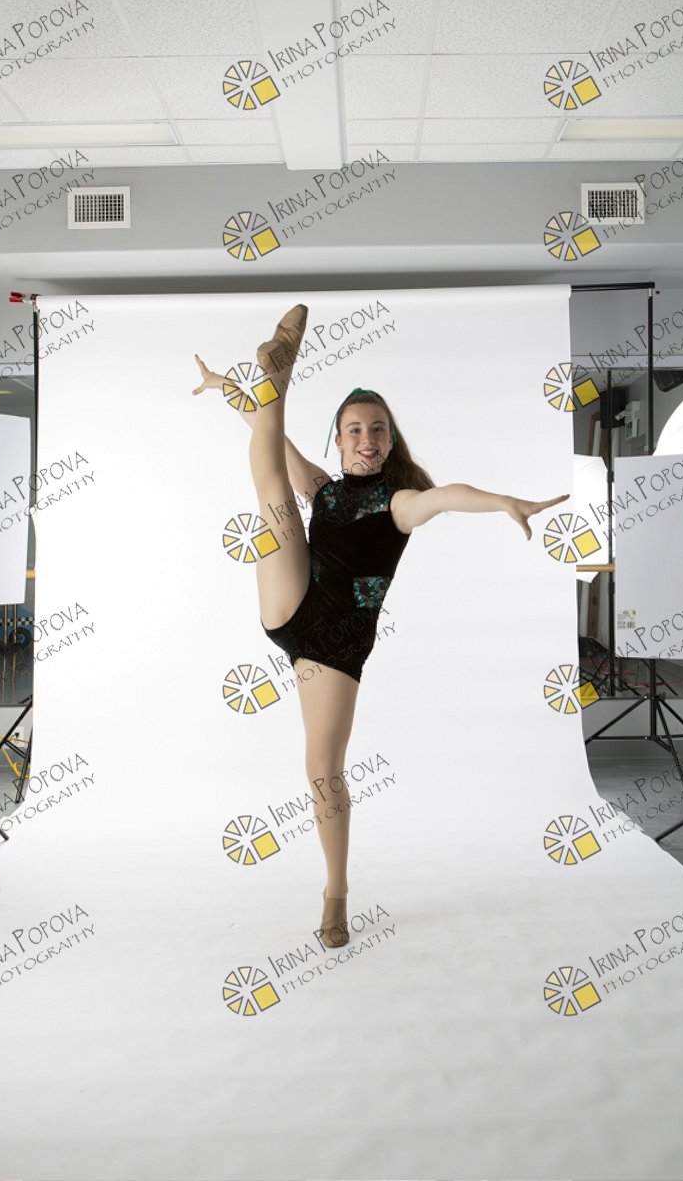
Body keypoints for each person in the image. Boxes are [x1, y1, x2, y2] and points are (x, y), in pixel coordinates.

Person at [193, 304, 568, 948]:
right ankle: (278, 373)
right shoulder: (325, 488)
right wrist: (224, 386)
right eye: (354, 430)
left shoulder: (399, 504)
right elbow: (264, 429)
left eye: (377, 430)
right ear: (339, 441)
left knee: (322, 769)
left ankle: (335, 892)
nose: (366, 439)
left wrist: (505, 501)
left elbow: (446, 495)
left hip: (334, 643)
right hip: (292, 596)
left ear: (391, 442)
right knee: (273, 489)